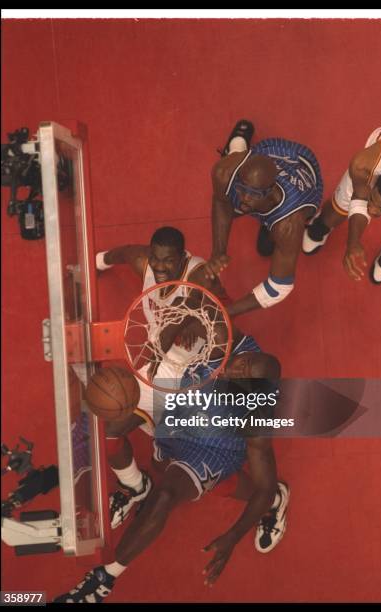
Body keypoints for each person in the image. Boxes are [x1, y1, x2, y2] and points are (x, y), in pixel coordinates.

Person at [54, 346, 290, 603]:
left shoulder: (256, 424)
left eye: (242, 377)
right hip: (176, 405)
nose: (235, 367)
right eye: (243, 362)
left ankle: (103, 579)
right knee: (109, 430)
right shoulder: (236, 344)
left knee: (167, 494)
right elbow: (204, 312)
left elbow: (262, 486)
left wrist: (233, 536)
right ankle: (135, 486)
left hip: (213, 447)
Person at [95, 226, 231, 529]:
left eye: (168, 261)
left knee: (193, 462)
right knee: (111, 429)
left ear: (182, 258)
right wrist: (98, 261)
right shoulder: (143, 262)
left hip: (193, 368)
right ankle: (135, 486)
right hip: (160, 360)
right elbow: (124, 251)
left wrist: (202, 318)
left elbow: (228, 310)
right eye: (156, 258)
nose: (159, 267)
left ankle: (268, 495)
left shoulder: (198, 278)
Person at [204, 119, 323, 317]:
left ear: (270, 191)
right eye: (241, 189)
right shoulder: (225, 172)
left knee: (278, 232)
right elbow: (220, 202)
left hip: (304, 163)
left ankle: (271, 225)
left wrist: (227, 312)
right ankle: (238, 144)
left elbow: (279, 287)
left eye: (253, 194)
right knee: (232, 196)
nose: (244, 199)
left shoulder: (289, 224)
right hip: (269, 150)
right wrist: (218, 251)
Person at [302, 120, 381, 284]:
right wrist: (353, 243)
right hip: (378, 161)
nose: (372, 210)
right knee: (339, 207)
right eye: (373, 200)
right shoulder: (363, 165)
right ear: (375, 181)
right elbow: (360, 194)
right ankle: (322, 224)